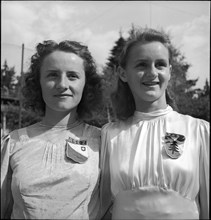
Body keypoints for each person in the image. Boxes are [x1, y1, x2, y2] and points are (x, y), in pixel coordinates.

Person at [99, 27, 209, 219]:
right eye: (142, 65)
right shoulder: (109, 135)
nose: (152, 73)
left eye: (160, 64)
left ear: (170, 72)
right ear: (123, 73)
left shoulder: (199, 131)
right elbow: (100, 207)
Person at [1, 40, 103, 219]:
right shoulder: (14, 143)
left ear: (86, 84)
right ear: (38, 82)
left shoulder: (103, 141)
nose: (62, 84)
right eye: (52, 75)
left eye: (72, 76)